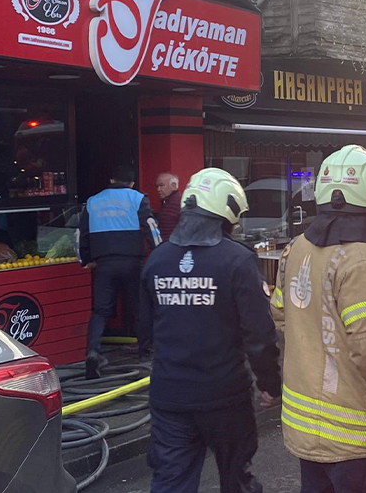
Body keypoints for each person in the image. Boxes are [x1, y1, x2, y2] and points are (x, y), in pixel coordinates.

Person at [271, 145, 366, 493]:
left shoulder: (295, 248)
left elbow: (282, 316)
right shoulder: (360, 259)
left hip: (307, 430)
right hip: (357, 440)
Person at [139, 168, 280, 493]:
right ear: (226, 213)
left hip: (169, 396)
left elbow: (144, 332)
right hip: (224, 396)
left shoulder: (157, 260)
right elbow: (259, 335)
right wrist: (270, 383)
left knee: (170, 483)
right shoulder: (237, 260)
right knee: (236, 480)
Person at [79, 164, 153, 379]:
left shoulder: (93, 201)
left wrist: (87, 258)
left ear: (111, 180)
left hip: (104, 264)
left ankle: (93, 352)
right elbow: (151, 229)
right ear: (131, 183)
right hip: (132, 262)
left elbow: (82, 235)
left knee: (100, 311)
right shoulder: (137, 198)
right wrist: (159, 254)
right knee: (140, 308)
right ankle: (145, 355)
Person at [154, 172, 182, 241]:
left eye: (162, 185)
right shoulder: (166, 202)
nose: (158, 189)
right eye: (157, 186)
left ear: (173, 186)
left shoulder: (180, 203)